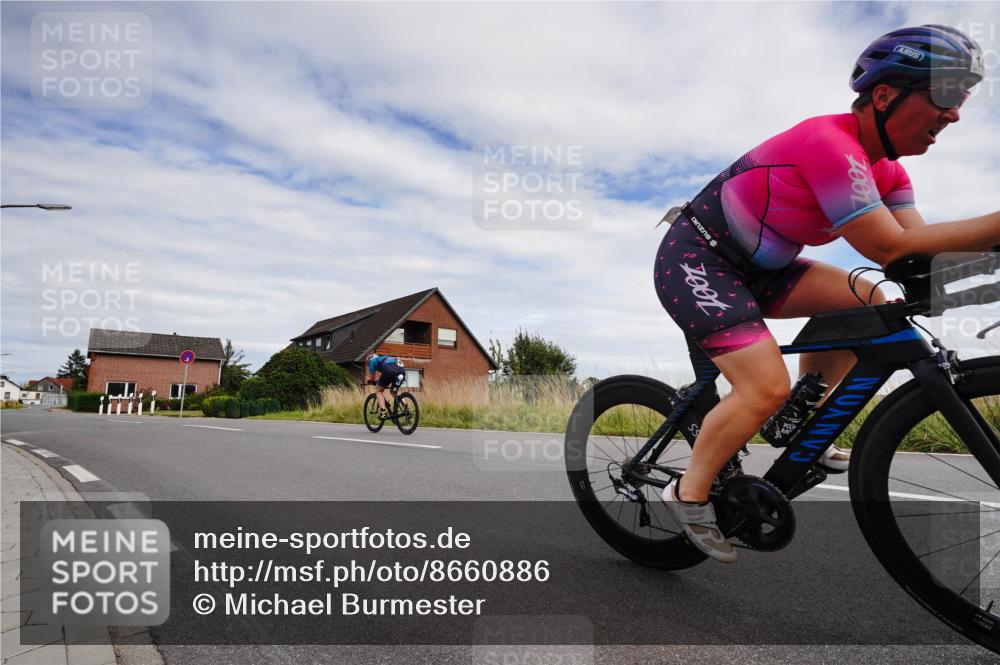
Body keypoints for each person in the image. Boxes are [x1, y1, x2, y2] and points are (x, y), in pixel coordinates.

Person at [654, 24, 997, 563]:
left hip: (767, 268)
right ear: (884, 96)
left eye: (963, 100)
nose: (955, 114)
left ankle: (800, 411)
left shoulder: (890, 173)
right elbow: (887, 245)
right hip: (701, 261)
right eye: (948, 95)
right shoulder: (829, 144)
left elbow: (913, 256)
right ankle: (687, 493)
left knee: (876, 301)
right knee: (762, 386)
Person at [366, 353, 405, 418]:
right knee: (394, 391)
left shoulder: (372, 362)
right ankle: (406, 408)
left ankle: (383, 412)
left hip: (389, 370)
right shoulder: (386, 357)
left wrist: (370, 381)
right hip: (401, 370)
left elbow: (372, 379)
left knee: (378, 390)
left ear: (370, 360)